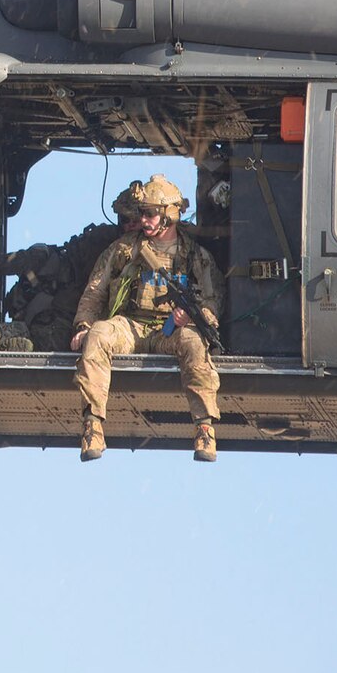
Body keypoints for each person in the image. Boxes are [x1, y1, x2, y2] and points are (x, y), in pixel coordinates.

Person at [70, 174, 223, 462]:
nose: (145, 220)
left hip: (170, 332)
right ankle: (93, 427)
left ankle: (204, 429)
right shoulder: (124, 249)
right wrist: (84, 326)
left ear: (169, 215)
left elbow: (213, 302)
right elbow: (94, 292)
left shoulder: (195, 256)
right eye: (142, 213)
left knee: (195, 345)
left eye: (151, 213)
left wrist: (191, 317)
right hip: (130, 325)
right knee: (99, 335)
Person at [1, 186, 140, 352]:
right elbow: (93, 291)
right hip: (76, 317)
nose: (131, 225)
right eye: (126, 220)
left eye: (136, 220)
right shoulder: (102, 244)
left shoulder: (163, 249)